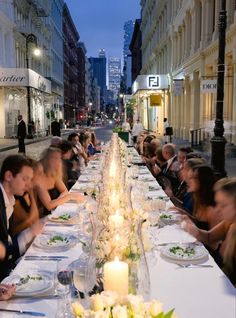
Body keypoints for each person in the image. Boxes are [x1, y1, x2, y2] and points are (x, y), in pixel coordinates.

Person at [182, 177, 236, 286]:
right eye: (217, 204)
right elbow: (209, 237)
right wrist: (195, 231)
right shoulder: (228, 223)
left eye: (223, 205)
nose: (217, 209)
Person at [0, 155, 43, 280]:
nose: (29, 185)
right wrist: (27, 235)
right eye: (25, 179)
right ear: (8, 176)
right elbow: (2, 251)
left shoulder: (10, 200)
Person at [35, 147, 84, 216]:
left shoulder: (53, 175)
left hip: (57, 213)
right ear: (46, 160)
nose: (58, 161)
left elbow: (64, 191)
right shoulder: (39, 178)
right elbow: (49, 206)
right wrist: (69, 197)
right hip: (45, 218)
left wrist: (58, 201)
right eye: (54, 158)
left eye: (59, 158)